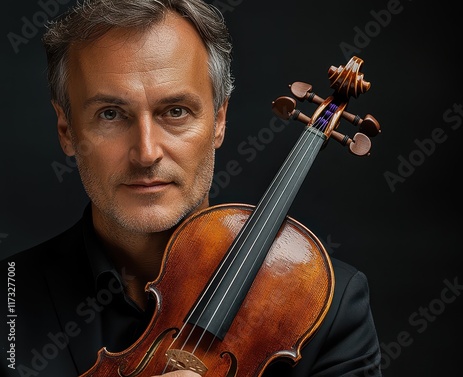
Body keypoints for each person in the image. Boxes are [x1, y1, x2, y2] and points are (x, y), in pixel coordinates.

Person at [1, 0, 382, 376]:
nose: (146, 153)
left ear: (219, 121)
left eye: (176, 111)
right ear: (67, 129)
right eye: (111, 114)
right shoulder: (8, 298)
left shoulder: (325, 308)